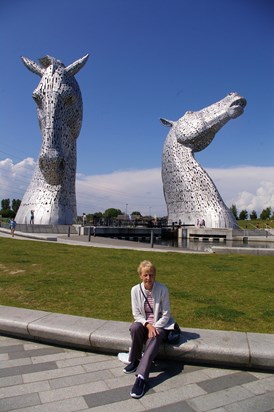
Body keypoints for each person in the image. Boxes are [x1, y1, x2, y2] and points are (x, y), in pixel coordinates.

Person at [124, 260, 174, 399]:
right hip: (146, 324)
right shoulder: (135, 290)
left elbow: (166, 314)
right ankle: (134, 360)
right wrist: (148, 325)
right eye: (145, 275)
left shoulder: (162, 289)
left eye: (151, 275)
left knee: (156, 335)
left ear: (155, 275)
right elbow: (136, 315)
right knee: (134, 327)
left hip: (160, 325)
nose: (148, 278)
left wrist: (155, 327)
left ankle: (141, 377)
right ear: (140, 276)